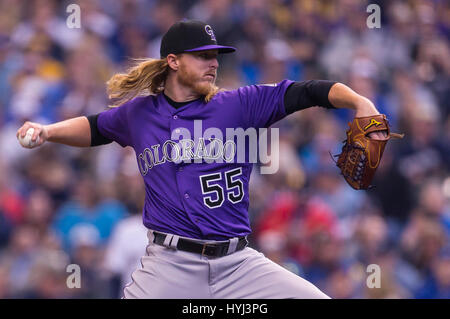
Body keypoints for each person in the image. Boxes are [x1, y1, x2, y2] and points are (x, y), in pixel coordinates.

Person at [17, 20, 387, 299]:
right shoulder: (139, 114)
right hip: (170, 264)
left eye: (216, 56)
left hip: (238, 263)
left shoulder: (239, 104)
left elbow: (308, 92)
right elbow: (94, 127)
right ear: (173, 61)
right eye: (204, 56)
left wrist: (359, 102)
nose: (213, 63)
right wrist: (48, 131)